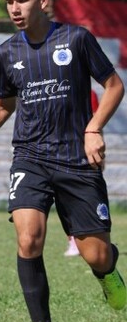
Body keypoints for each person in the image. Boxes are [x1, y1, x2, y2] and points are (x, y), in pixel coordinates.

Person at [0, 0, 126, 322]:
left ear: (43, 0)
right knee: (28, 238)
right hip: (30, 158)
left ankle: (108, 267)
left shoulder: (77, 39)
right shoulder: (6, 53)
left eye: (22, 0)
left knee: (95, 253)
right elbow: (4, 105)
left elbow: (114, 86)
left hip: (75, 160)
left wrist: (94, 127)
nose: (15, 9)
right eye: (9, 3)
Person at [64, 90, 100, 257]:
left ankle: (93, 238)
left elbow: (96, 122)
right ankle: (73, 240)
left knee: (86, 201)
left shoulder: (90, 93)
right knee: (65, 202)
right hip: (56, 151)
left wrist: (98, 150)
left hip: (82, 152)